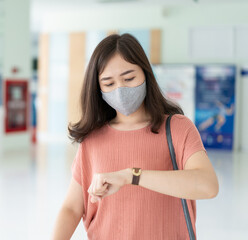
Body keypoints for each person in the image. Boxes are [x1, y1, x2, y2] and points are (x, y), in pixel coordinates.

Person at [51, 33, 219, 240]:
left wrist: (132, 176)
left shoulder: (177, 128)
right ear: (98, 88)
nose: (120, 90)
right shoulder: (92, 139)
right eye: (108, 83)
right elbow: (72, 208)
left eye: (129, 78)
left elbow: (208, 186)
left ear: (146, 74)